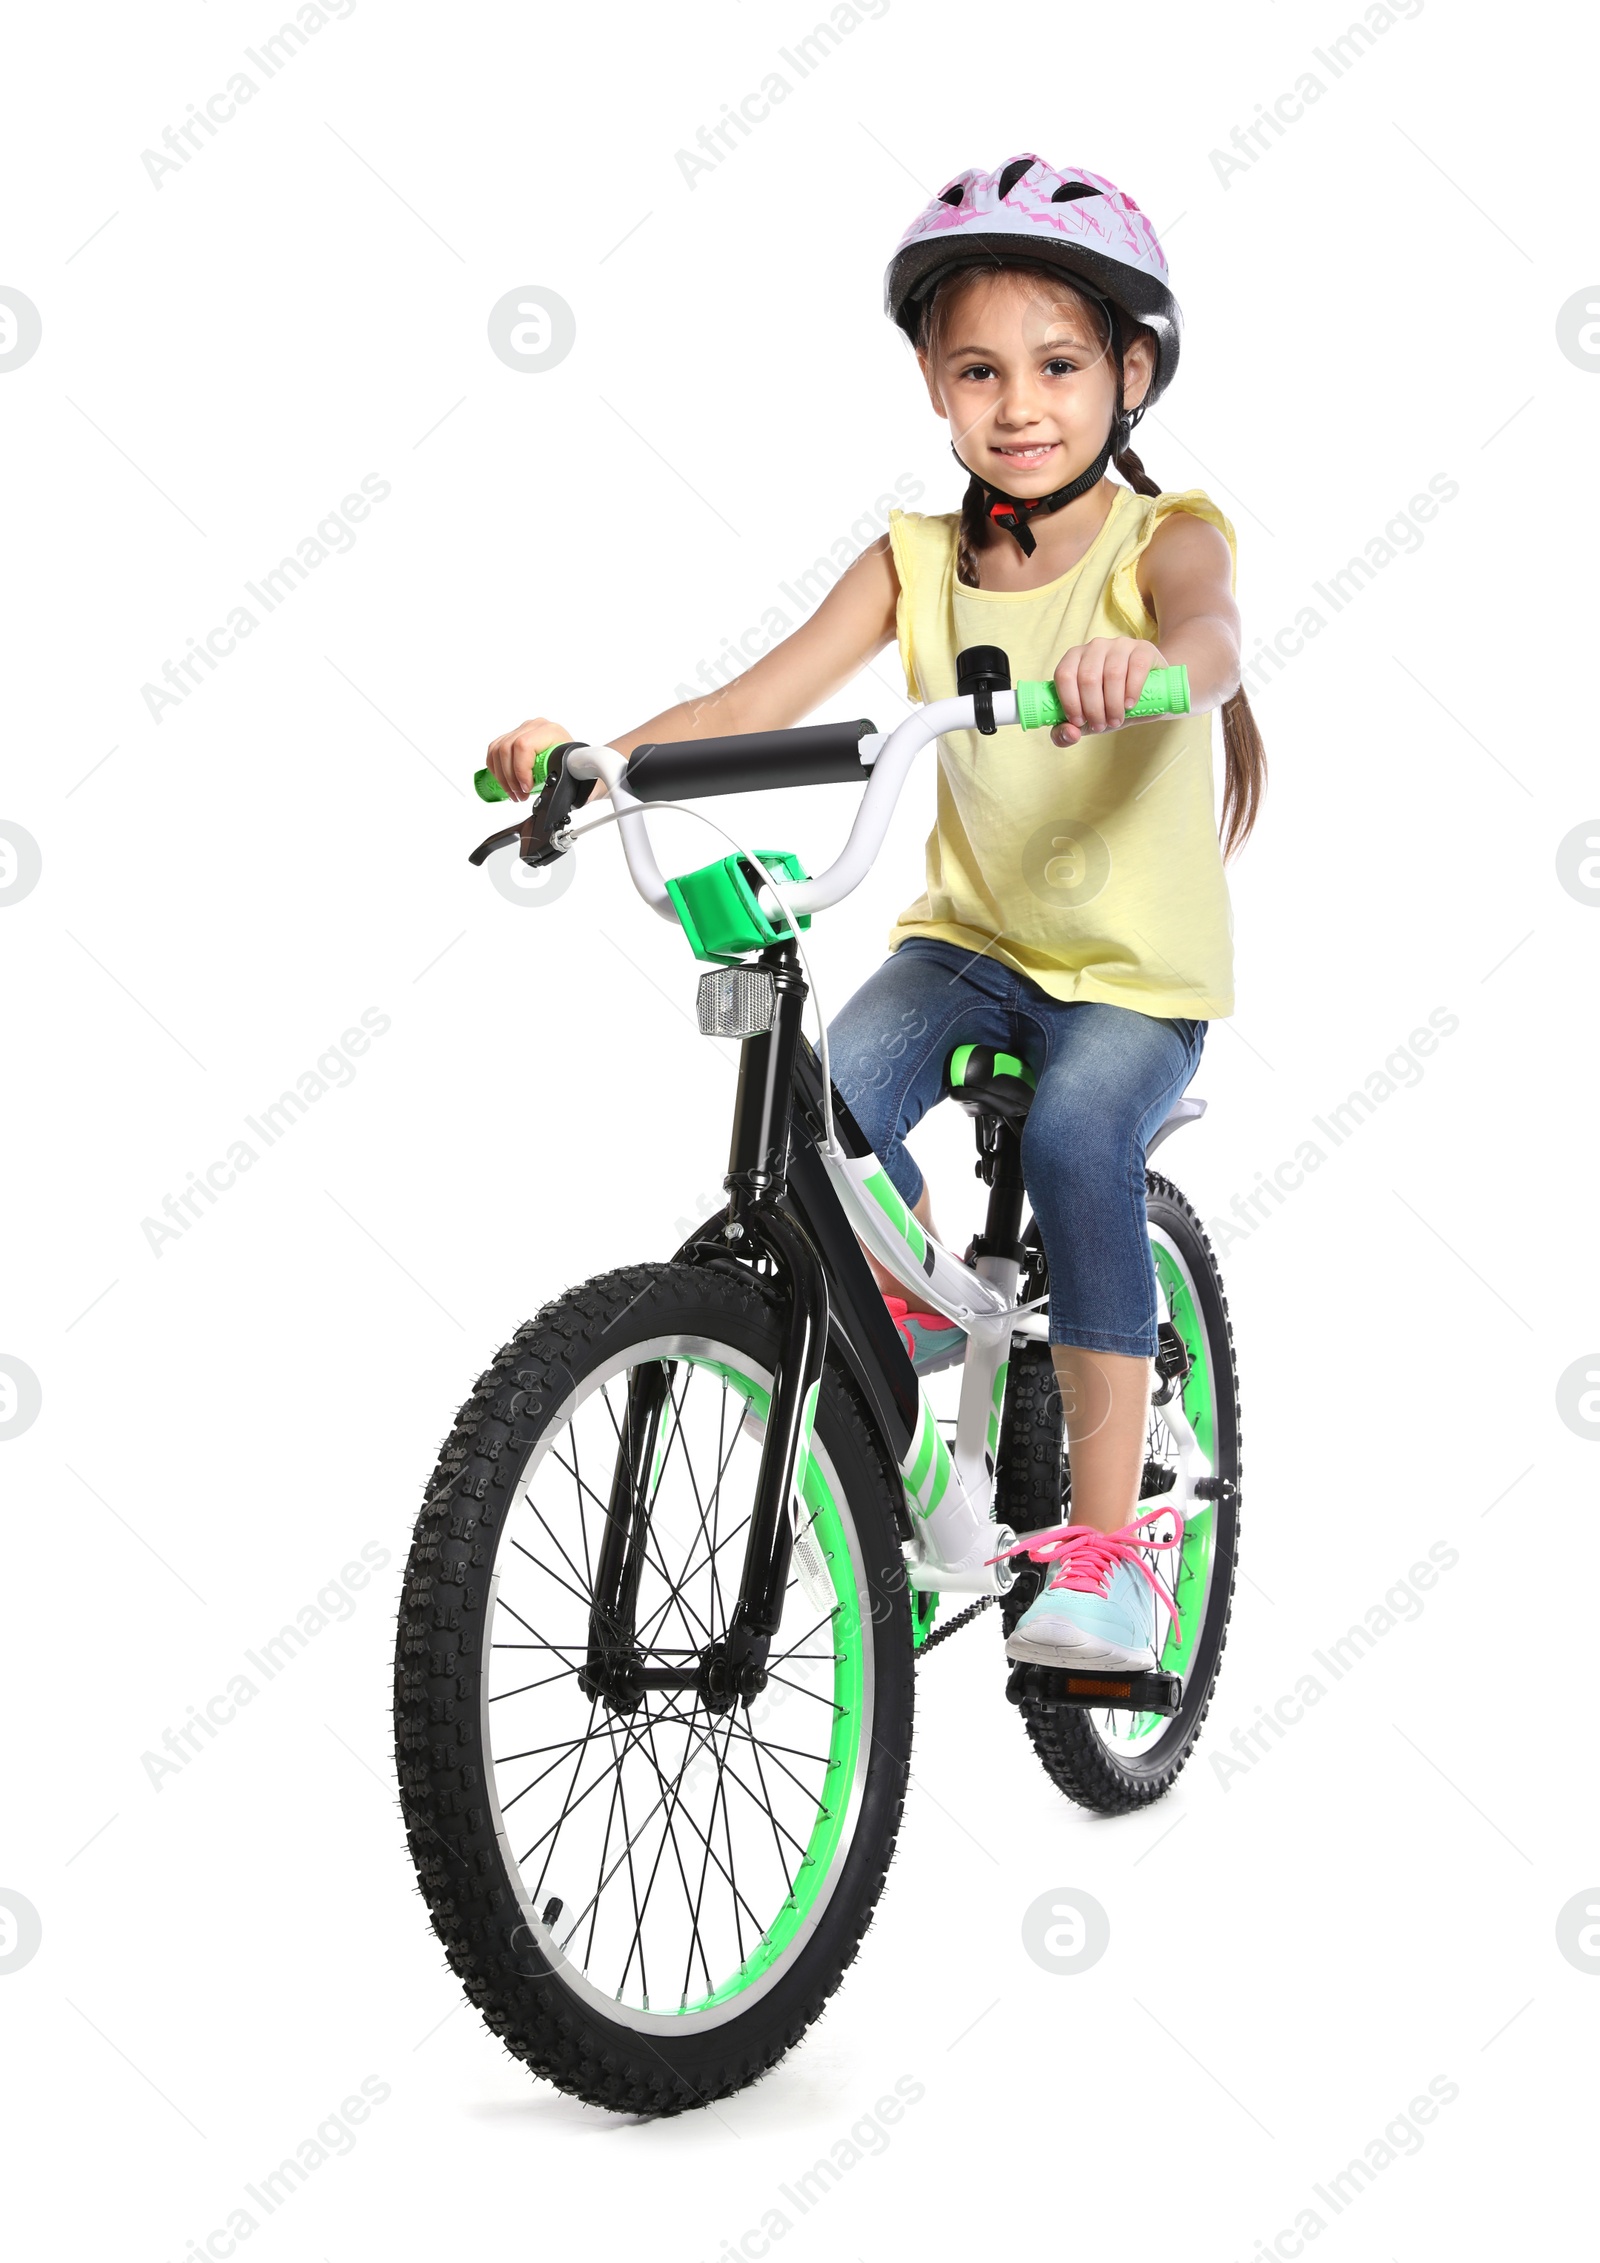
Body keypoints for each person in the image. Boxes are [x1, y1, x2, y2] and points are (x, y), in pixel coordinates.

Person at [482, 153, 1264, 1675]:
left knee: (1078, 1144)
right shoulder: (917, 561)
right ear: (930, 382)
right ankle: (905, 1330)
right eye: (979, 370)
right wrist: (597, 757)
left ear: (1134, 372)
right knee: (824, 1109)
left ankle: (1105, 1554)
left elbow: (1214, 635)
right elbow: (747, 700)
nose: (1019, 404)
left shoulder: (1161, 541)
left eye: (1057, 366)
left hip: (1130, 973)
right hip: (967, 951)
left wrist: (1149, 667)